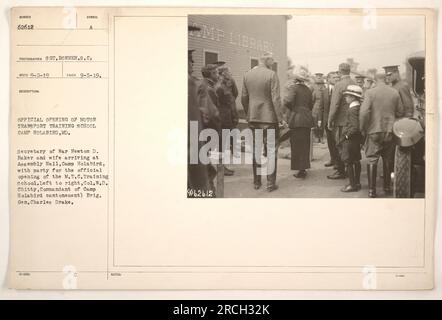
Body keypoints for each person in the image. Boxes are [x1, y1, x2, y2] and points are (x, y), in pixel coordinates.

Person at [241, 52, 285, 192]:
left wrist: (249, 112)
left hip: (254, 118)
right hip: (269, 119)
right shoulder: (272, 74)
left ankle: (256, 181)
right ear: (268, 61)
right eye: (272, 61)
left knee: (256, 150)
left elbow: (244, 97)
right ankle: (271, 183)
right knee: (271, 150)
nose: (273, 63)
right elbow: (276, 99)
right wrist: (280, 118)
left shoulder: (247, 75)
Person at [360, 73, 405, 198]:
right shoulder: (394, 92)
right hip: (390, 130)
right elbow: (401, 111)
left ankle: (371, 191)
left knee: (372, 159)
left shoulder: (370, 92)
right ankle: (387, 187)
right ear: (386, 80)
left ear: (375, 81)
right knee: (387, 159)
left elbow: (363, 112)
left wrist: (363, 128)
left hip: (374, 130)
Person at [283, 67, 314, 179]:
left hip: (296, 119)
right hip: (306, 119)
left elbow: (287, 101)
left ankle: (301, 171)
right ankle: (303, 168)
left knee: (296, 145)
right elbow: (311, 105)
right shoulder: (308, 89)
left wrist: (293, 108)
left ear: (295, 78)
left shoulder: (294, 88)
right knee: (305, 145)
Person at [327, 63, 356, 179]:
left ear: (340, 71)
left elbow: (335, 105)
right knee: (352, 146)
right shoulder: (354, 83)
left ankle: (341, 171)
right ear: (349, 71)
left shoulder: (339, 85)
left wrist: (330, 120)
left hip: (341, 122)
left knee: (340, 145)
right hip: (353, 121)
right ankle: (352, 172)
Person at [339, 85, 363, 192]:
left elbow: (354, 126)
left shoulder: (352, 110)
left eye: (348, 96)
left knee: (348, 161)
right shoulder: (358, 107)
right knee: (356, 160)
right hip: (356, 139)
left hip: (350, 139)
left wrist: (346, 135)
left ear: (353, 97)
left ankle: (352, 184)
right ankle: (357, 183)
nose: (346, 98)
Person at [216, 65, 239, 176]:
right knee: (221, 143)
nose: (230, 73)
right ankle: (221, 167)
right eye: (228, 72)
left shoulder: (229, 83)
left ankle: (222, 166)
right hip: (222, 117)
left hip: (229, 115)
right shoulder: (219, 86)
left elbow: (235, 94)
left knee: (225, 142)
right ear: (223, 74)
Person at [323, 72, 339, 168]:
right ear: (328, 79)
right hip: (327, 120)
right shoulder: (324, 91)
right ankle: (333, 159)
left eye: (337, 77)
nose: (336, 79)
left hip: (336, 121)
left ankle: (338, 162)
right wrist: (321, 120)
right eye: (333, 77)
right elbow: (322, 107)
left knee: (337, 142)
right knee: (330, 142)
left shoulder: (339, 89)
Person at [311, 73, 326, 143]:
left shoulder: (325, 88)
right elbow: (311, 99)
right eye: (318, 77)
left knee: (322, 123)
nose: (320, 86)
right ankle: (316, 136)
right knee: (315, 123)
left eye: (320, 77)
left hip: (323, 108)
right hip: (315, 108)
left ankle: (321, 136)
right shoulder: (313, 87)